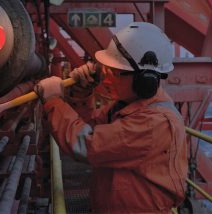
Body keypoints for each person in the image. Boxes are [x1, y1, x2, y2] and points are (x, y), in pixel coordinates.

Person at [35, 22, 188, 213]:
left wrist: (54, 102)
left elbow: (87, 144)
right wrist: (82, 92)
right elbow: (88, 127)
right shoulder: (127, 106)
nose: (106, 78)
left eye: (114, 72)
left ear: (145, 81)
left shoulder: (154, 123)